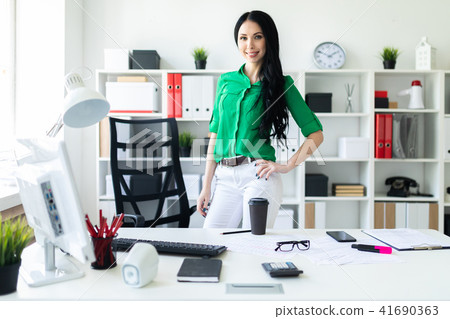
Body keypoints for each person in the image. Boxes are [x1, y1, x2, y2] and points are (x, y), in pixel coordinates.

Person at [197, 10, 323, 228]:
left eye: (257, 36)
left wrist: (286, 166)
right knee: (210, 240)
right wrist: (206, 185)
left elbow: (316, 134)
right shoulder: (226, 81)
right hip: (224, 177)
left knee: (253, 244)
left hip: (258, 176)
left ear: (269, 39)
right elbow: (215, 135)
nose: (250, 45)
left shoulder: (282, 85)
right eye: (243, 38)